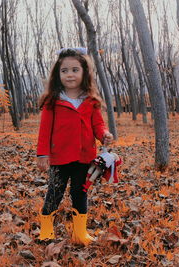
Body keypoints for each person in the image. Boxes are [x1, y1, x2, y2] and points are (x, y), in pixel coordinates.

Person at [36, 48, 113, 245]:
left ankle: (80, 232)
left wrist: (104, 134)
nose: (70, 74)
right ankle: (46, 230)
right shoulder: (52, 101)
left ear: (84, 72)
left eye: (75, 70)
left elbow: (98, 124)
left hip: (84, 157)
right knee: (55, 192)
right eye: (64, 71)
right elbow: (45, 130)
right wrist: (42, 154)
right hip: (60, 157)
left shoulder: (90, 100)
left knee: (80, 193)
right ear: (58, 74)